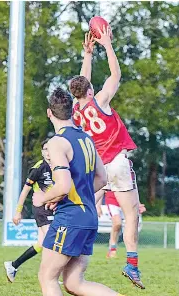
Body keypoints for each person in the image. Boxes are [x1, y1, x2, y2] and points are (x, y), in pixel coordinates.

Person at [70, 27, 144, 289]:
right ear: (90, 92)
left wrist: (87, 55)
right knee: (131, 214)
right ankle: (132, 264)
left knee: (83, 207)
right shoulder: (100, 99)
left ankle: (68, 250)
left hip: (96, 167)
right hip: (116, 162)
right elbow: (116, 74)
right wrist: (107, 45)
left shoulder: (75, 111)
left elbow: (82, 81)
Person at [33, 87, 125, 296]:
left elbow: (63, 185)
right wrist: (69, 194)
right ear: (72, 112)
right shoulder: (87, 138)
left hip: (70, 218)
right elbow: (102, 178)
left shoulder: (56, 142)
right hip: (88, 216)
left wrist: (43, 197)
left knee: (47, 277)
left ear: (49, 113)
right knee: (74, 283)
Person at [4, 139, 54, 282]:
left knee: (41, 243)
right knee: (54, 241)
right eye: (45, 149)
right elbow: (25, 190)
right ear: (42, 152)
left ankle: (13, 265)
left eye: (50, 149)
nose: (48, 152)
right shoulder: (39, 168)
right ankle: (51, 275)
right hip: (41, 209)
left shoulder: (60, 166)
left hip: (53, 208)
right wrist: (18, 211)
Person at [96, 191, 146, 259]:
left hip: (126, 202)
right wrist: (98, 205)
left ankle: (132, 254)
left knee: (131, 225)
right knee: (117, 223)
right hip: (112, 201)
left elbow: (133, 189)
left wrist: (138, 204)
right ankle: (112, 249)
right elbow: (101, 188)